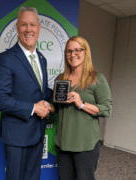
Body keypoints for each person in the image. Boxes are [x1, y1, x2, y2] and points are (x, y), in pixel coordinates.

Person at [0, 6, 52, 180]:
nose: (29, 29)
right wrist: (34, 108)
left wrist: (61, 94)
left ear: (39, 28)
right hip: (16, 138)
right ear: (17, 27)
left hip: (37, 134)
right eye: (24, 25)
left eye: (33, 25)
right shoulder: (6, 58)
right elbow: (0, 100)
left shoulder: (42, 59)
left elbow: (42, 92)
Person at [50, 36, 112, 180]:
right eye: (69, 51)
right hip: (63, 142)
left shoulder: (97, 79)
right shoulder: (60, 79)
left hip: (86, 144)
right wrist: (49, 106)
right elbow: (57, 108)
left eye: (78, 50)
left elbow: (106, 109)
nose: (73, 54)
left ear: (86, 52)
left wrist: (81, 103)